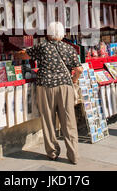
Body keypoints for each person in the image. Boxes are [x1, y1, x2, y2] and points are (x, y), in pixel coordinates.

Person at [16, 22, 83, 164]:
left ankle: (52, 152)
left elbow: (24, 55)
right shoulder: (69, 48)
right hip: (65, 86)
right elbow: (79, 69)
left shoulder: (42, 46)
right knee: (68, 121)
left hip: (46, 85)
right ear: (62, 34)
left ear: (48, 34)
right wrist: (74, 80)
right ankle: (74, 155)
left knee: (48, 120)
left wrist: (17, 53)